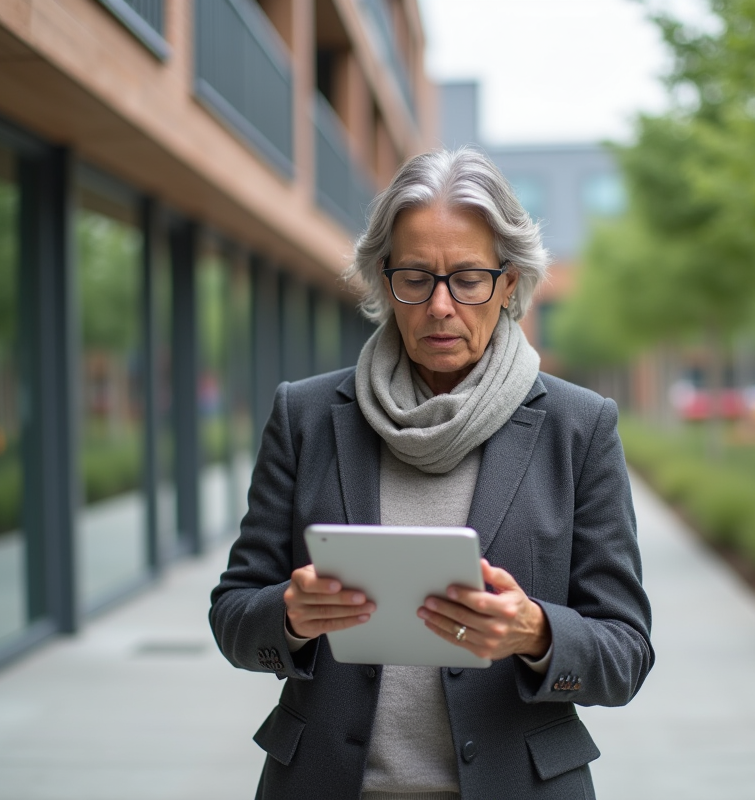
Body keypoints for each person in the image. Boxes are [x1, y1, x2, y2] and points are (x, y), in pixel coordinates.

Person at [210, 148, 653, 800]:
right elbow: (232, 615)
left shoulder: (578, 427)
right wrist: (290, 616)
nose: (440, 306)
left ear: (508, 284)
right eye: (414, 277)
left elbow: (625, 654)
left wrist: (536, 632)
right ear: (381, 281)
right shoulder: (304, 416)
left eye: (468, 278)